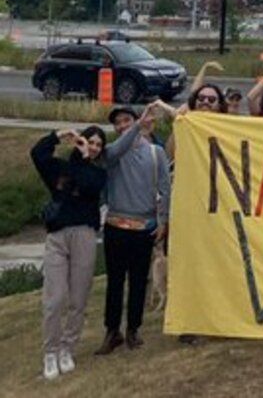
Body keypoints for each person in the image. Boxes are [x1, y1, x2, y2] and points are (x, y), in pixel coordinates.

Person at [31, 126, 107, 379]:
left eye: (98, 145)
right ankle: (50, 352)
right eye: (90, 141)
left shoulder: (97, 173)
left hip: (84, 235)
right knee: (54, 299)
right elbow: (38, 154)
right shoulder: (58, 168)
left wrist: (85, 158)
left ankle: (67, 348)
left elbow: (87, 186)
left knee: (78, 299)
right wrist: (58, 135)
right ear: (79, 140)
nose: (93, 147)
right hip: (58, 236)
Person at [96, 103, 171, 355]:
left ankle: (133, 329)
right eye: (117, 122)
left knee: (139, 281)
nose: (121, 125)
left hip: (144, 226)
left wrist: (163, 221)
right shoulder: (112, 152)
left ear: (135, 121)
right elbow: (116, 149)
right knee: (115, 282)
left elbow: (164, 188)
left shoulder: (155, 153)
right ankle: (112, 330)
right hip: (116, 225)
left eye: (126, 120)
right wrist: (138, 125)